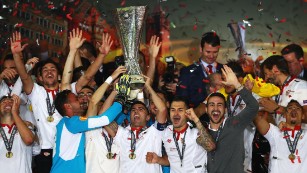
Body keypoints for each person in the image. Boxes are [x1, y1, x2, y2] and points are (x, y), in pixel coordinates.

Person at [10, 29, 112, 173]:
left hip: (68, 148)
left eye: (52, 69)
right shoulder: (36, 92)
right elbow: (25, 77)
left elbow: (88, 76)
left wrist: (101, 55)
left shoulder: (68, 90)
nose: (49, 71)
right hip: (45, 152)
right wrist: (16, 56)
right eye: (45, 70)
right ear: (39, 78)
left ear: (59, 75)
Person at [50, 73, 130, 173]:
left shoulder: (70, 124)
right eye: (76, 99)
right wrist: (120, 100)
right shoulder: (72, 122)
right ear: (68, 106)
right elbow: (104, 119)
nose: (80, 100)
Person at [104, 75, 167, 173]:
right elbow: (103, 118)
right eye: (133, 110)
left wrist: (148, 87)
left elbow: (162, 109)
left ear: (148, 117)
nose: (136, 111)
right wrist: (115, 91)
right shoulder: (121, 132)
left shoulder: (154, 132)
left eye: (140, 109)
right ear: (130, 115)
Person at [206, 65, 259, 173]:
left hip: (244, 155)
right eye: (223, 79)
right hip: (223, 156)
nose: (224, 82)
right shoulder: (223, 100)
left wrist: (237, 85)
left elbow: (254, 108)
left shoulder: (251, 96)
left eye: (227, 79)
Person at [147, 96, 216, 172]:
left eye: (180, 110)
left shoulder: (195, 132)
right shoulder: (166, 132)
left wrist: (195, 119)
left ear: (187, 113)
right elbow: (172, 159)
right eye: (173, 110)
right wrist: (158, 159)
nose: (176, 113)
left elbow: (211, 146)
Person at [254, 100, 307, 173]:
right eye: (290, 108)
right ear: (284, 115)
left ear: (303, 116)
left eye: (298, 108)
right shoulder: (275, 133)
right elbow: (256, 118)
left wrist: (278, 108)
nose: (293, 110)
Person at [176, 32, 223, 107]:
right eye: (208, 52)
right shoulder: (187, 72)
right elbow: (182, 101)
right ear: (201, 49)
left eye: (215, 52)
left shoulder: (225, 70)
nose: (211, 56)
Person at [259, 55, 307, 126]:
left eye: (266, 74)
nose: (266, 78)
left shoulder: (300, 86)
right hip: (280, 135)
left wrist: (278, 108)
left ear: (275, 69)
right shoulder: (275, 91)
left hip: (299, 136)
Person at [0, 94, 35, 173]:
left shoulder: (27, 127)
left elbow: (29, 140)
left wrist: (15, 113)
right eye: (3, 102)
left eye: (11, 102)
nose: (7, 104)